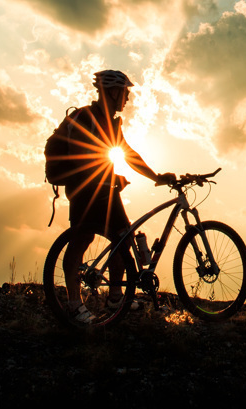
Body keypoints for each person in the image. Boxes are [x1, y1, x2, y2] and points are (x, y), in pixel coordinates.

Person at [60, 69, 172, 325]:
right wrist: (110, 179)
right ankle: (74, 304)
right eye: (125, 92)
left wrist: (155, 177)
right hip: (84, 191)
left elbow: (126, 153)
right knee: (81, 239)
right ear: (111, 91)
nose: (128, 98)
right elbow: (81, 159)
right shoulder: (85, 118)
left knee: (123, 240)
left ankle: (115, 297)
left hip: (105, 191)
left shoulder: (110, 122)